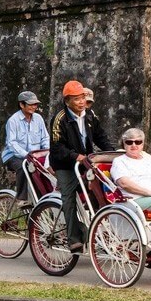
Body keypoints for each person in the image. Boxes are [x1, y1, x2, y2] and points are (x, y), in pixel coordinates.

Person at [50, 80, 115, 254]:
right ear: (67, 100)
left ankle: (97, 229)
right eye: (77, 99)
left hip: (85, 161)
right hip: (65, 164)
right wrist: (75, 156)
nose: (81, 102)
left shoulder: (90, 115)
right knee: (68, 198)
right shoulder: (60, 119)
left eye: (83, 98)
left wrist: (114, 155)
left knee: (98, 190)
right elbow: (57, 148)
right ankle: (74, 239)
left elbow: (101, 137)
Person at [1, 91, 50, 207]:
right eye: (31, 104)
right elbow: (11, 143)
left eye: (35, 104)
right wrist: (27, 155)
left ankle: (40, 201)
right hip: (13, 155)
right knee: (24, 167)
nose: (34, 107)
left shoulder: (38, 119)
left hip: (34, 156)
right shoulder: (13, 121)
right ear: (22, 105)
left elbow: (45, 138)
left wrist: (47, 152)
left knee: (45, 170)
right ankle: (22, 198)